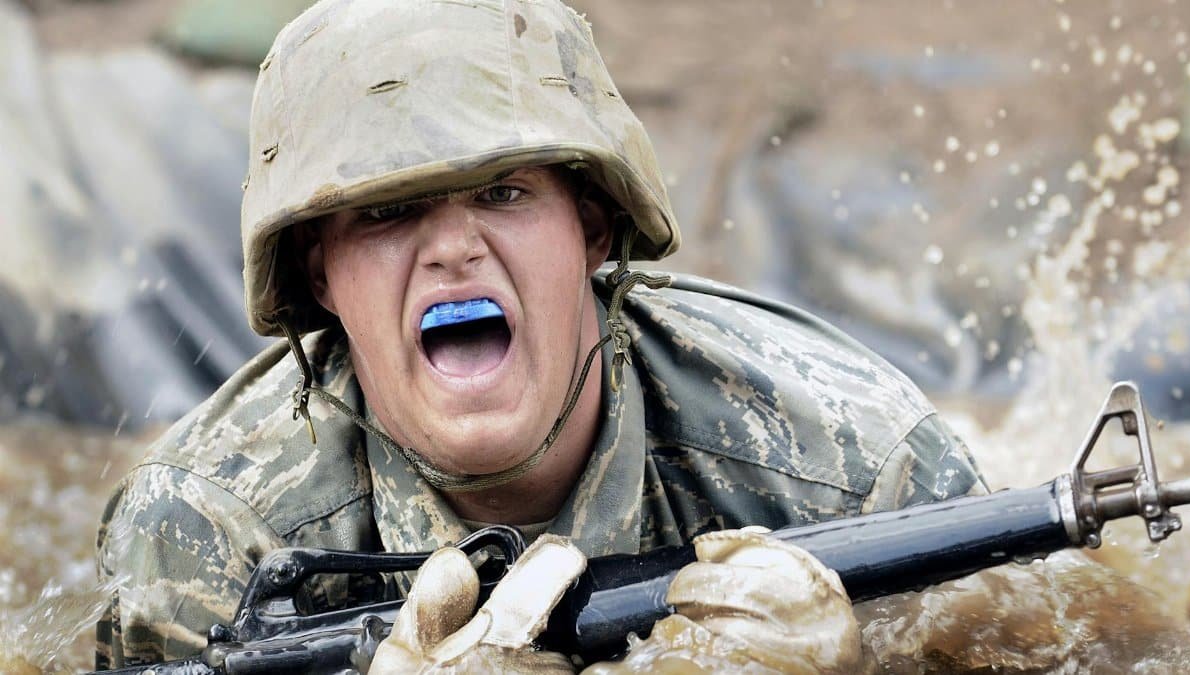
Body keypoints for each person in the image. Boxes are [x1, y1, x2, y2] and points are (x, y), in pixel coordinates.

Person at [94, 0, 987, 670]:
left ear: (592, 229)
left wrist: (875, 657)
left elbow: (1088, 638)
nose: (454, 247)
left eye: (503, 193)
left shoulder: (851, 463)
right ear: (319, 273)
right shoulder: (209, 528)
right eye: (390, 212)